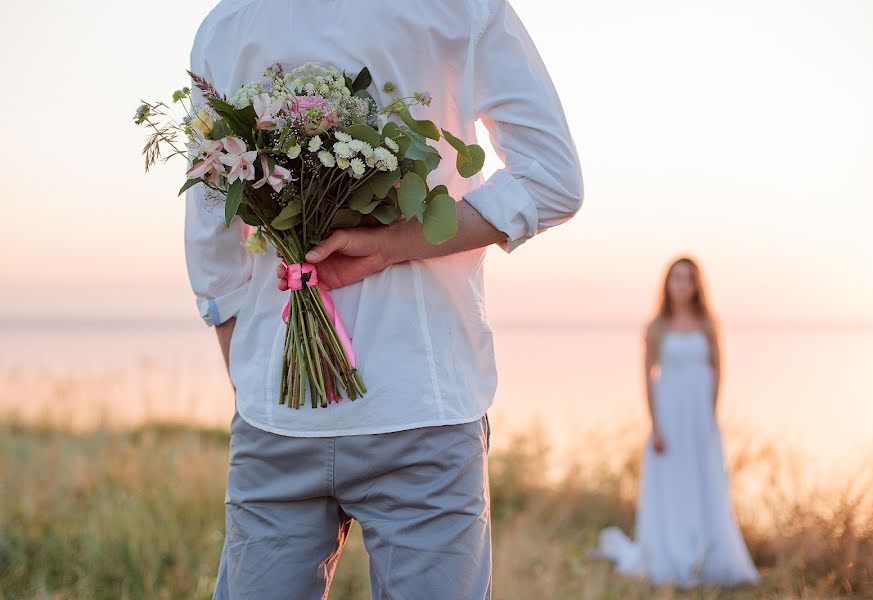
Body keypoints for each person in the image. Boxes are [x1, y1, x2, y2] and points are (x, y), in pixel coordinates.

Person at [183, 1, 583, 598]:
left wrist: (255, 378)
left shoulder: (231, 22)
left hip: (283, 412)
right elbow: (552, 179)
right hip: (420, 397)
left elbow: (213, 233)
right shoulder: (461, 9)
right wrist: (398, 243)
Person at [589, 257, 759, 587]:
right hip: (668, 418)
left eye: (688, 279)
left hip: (700, 419)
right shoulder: (657, 327)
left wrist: (710, 416)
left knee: (705, 486)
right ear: (667, 284)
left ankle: (708, 559)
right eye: (676, 278)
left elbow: (718, 368)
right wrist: (656, 426)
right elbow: (648, 377)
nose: (681, 284)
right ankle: (672, 558)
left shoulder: (709, 324)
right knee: (671, 488)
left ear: (697, 285)